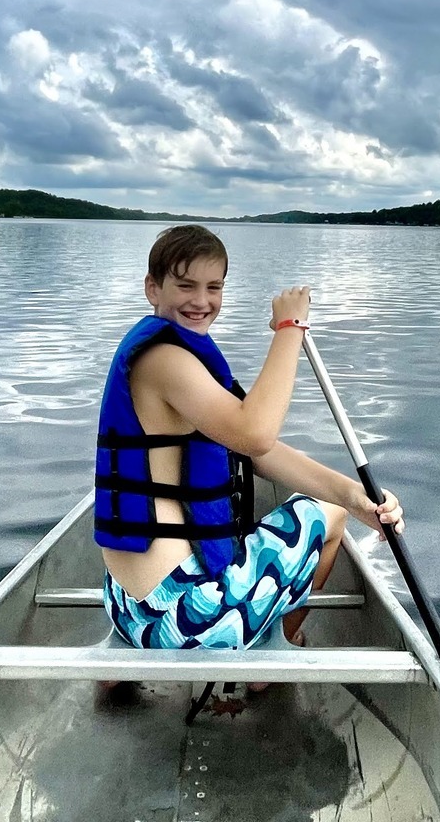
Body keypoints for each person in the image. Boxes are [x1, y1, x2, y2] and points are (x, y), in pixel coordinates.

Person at [97, 224, 404, 654]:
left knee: (338, 504)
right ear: (153, 288)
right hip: (183, 622)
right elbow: (257, 435)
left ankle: (116, 677)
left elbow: (252, 448)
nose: (201, 301)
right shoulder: (166, 361)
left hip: (126, 606)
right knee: (329, 519)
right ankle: (281, 647)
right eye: (186, 285)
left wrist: (356, 497)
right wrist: (289, 328)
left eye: (213, 287)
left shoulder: (167, 355)